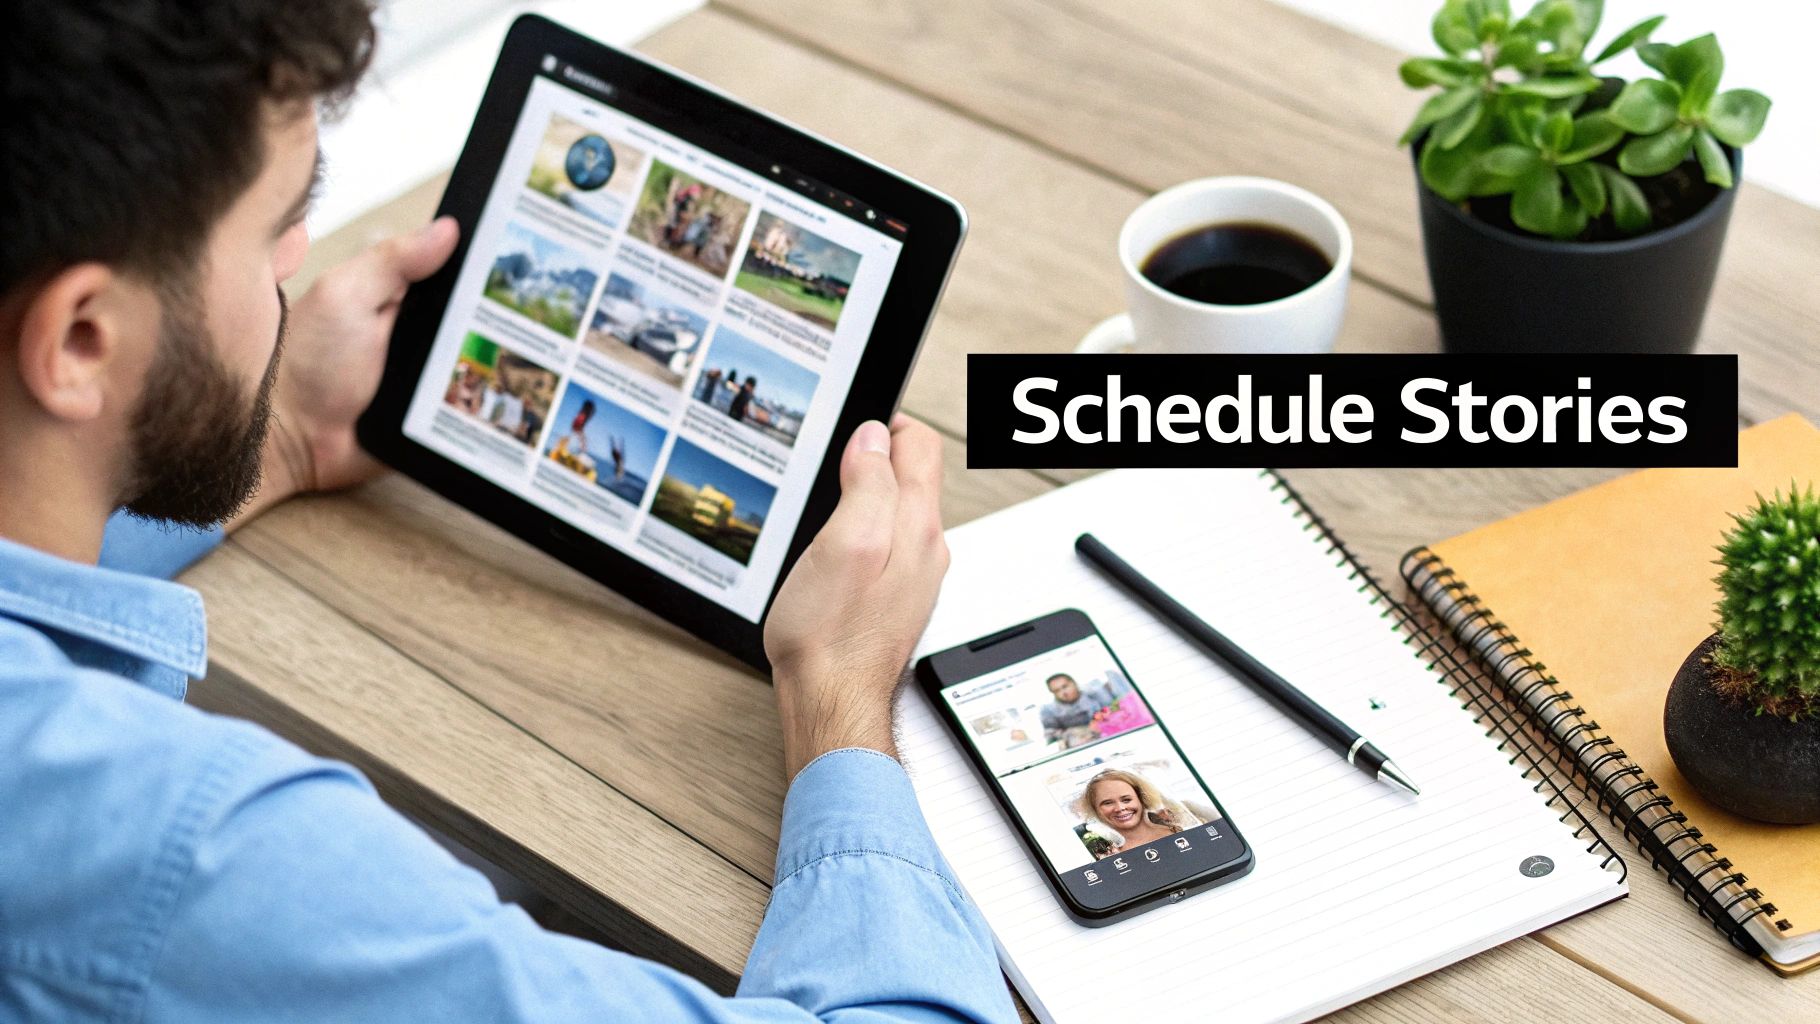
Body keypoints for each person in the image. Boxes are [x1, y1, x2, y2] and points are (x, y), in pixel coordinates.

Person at [0, 4, 1014, 1022]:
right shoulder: (211, 859)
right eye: (272, 229)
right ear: (83, 339)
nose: (298, 256)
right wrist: (837, 694)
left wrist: (286, 435)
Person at [1078, 770, 1196, 856]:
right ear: (1095, 809)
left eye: (1126, 800)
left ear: (1142, 799)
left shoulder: (1180, 830)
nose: (1120, 808)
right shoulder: (1104, 855)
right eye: (1107, 803)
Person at [1039, 672, 1114, 748]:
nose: (1063, 692)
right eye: (1057, 691)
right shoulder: (1048, 711)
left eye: (1065, 687)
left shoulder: (1095, 694)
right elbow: (1051, 737)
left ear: (1074, 683)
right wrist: (1072, 733)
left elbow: (1116, 713)